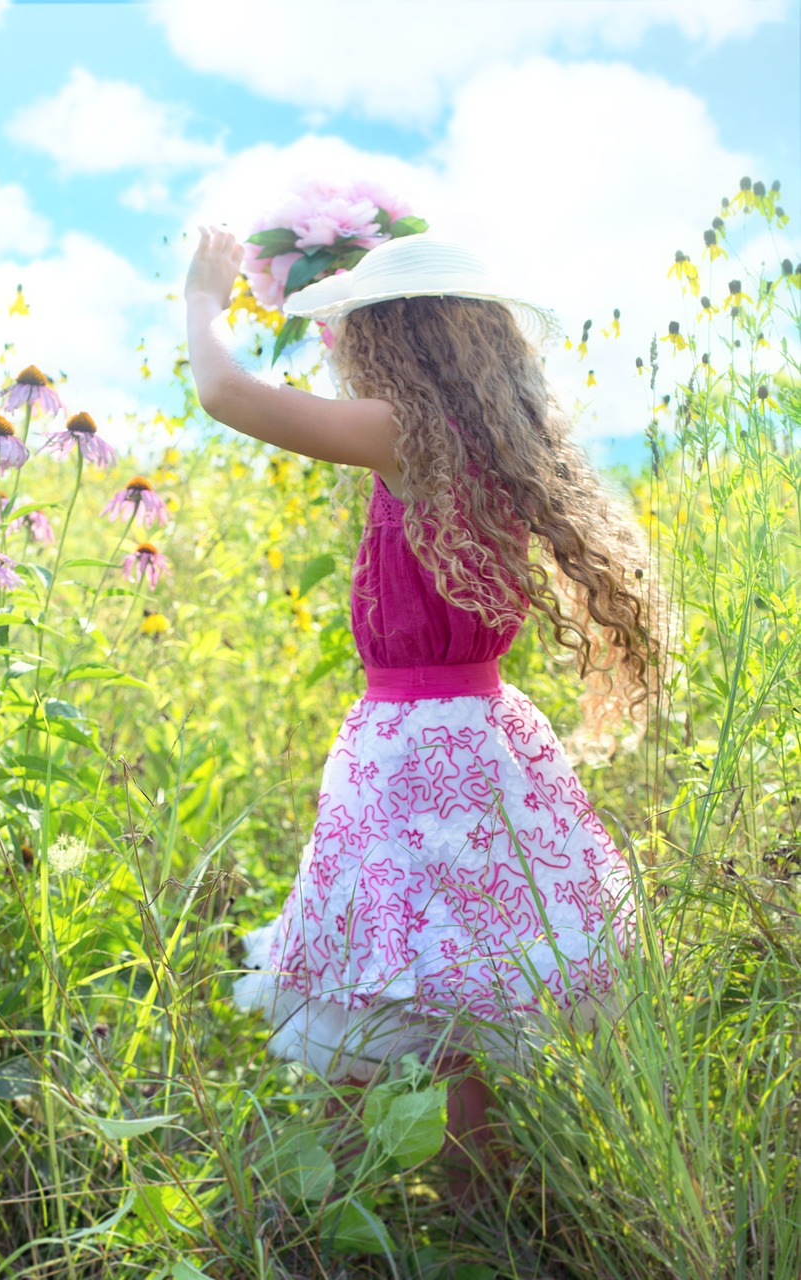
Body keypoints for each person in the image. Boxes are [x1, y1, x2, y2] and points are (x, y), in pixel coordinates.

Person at [185, 226, 656, 1190]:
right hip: (485, 736)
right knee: (459, 1000)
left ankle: (352, 1207)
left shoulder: (399, 432)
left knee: (385, 981)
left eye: (357, 331)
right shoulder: (494, 439)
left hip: (408, 750)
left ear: (392, 340)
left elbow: (223, 394)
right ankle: (474, 1213)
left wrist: (203, 293)